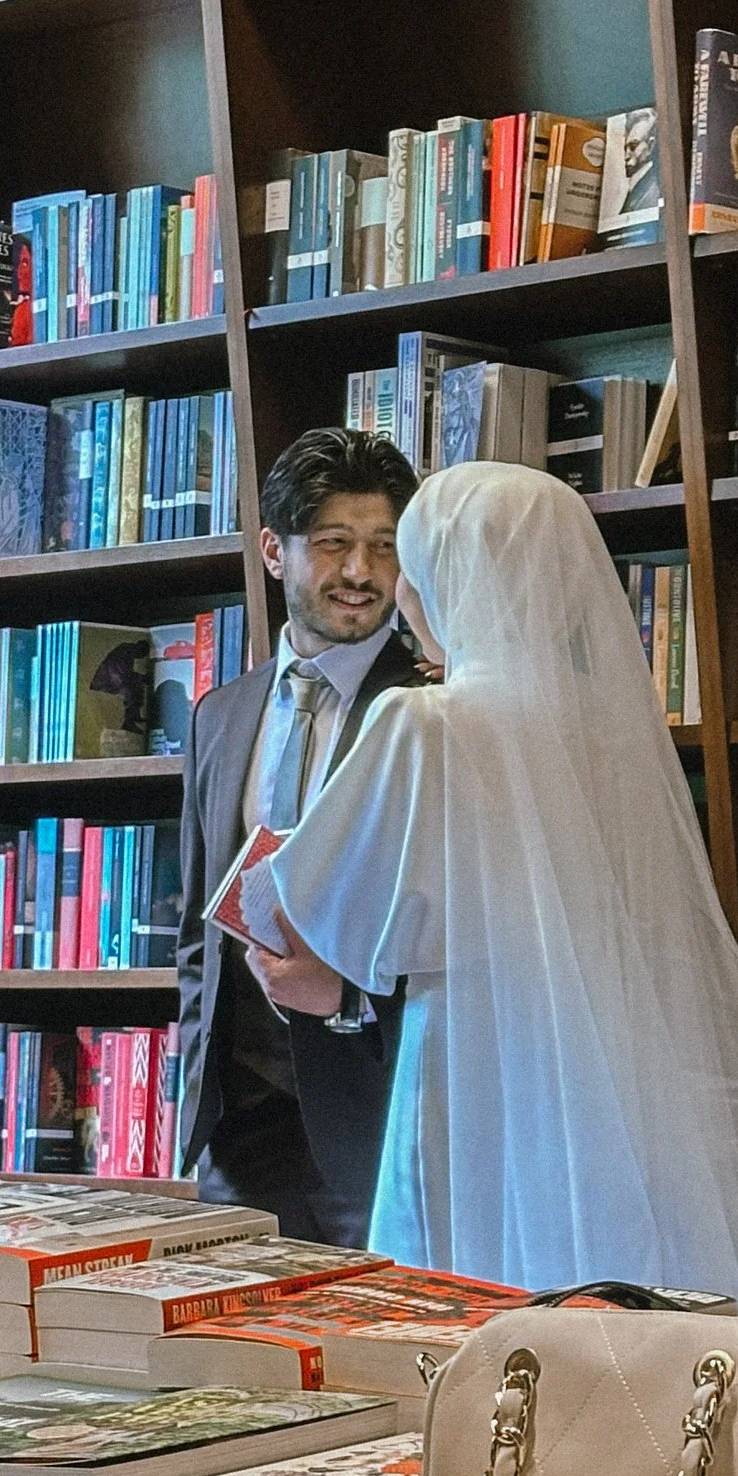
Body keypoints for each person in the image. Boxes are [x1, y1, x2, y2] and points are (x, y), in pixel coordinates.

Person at [266, 461, 738, 1303]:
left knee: (461, 1310)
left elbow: (328, 907)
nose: (401, 594)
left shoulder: (425, 723)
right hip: (618, 1074)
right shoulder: (616, 736)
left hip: (466, 1062)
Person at [176, 426, 425, 1242]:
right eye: (334, 544)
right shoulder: (220, 715)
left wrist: (350, 998)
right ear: (275, 552)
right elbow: (195, 930)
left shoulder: (432, 712)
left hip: (382, 1128)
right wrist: (200, 1089)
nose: (360, 572)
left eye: (383, 547)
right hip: (237, 1135)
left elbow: (471, 938)